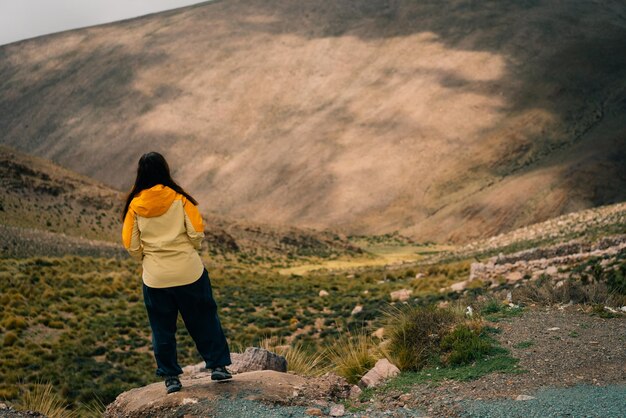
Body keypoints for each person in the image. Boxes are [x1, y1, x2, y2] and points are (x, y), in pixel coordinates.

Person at [121, 151, 232, 394]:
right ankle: (218, 367)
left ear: (140, 174)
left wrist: (147, 258)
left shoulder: (135, 206)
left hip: (155, 278)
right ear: (165, 170)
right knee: (204, 319)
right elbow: (196, 233)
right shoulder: (181, 199)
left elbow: (130, 244)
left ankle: (171, 378)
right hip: (189, 271)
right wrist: (186, 251)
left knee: (162, 328)